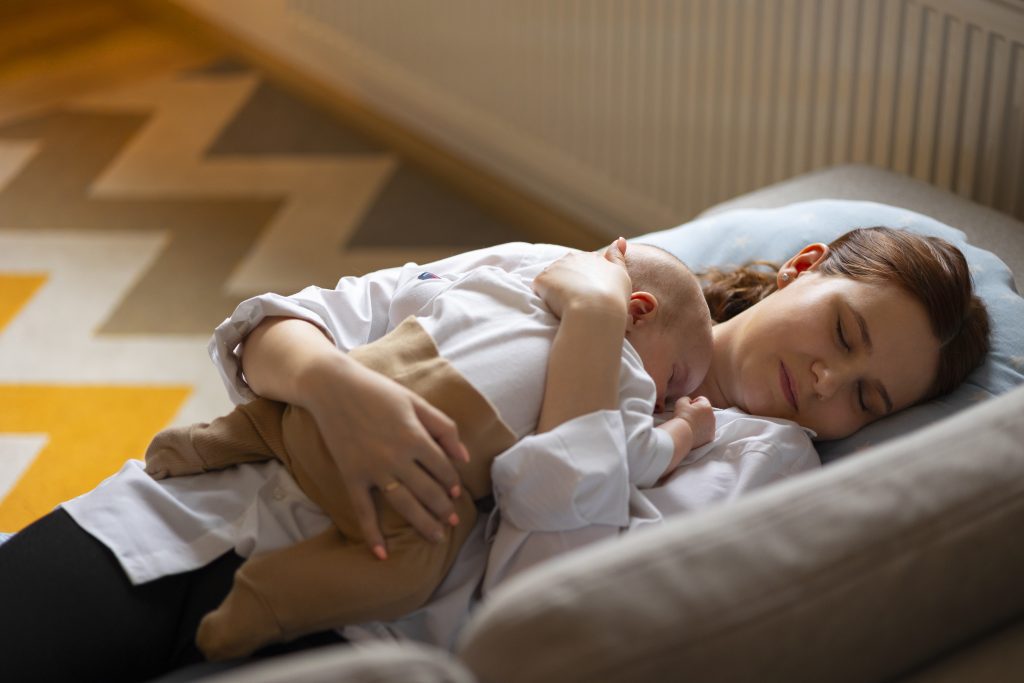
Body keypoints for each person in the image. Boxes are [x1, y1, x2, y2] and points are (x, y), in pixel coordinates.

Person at [0, 228, 988, 683]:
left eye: (866, 398)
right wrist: (338, 387)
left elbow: (545, 581)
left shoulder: (759, 463)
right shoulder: (566, 270)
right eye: (846, 336)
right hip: (190, 511)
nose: (824, 384)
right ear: (804, 268)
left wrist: (594, 340)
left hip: (357, 633)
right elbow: (276, 327)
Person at [141, 244, 716, 660]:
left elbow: (377, 312)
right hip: (393, 483)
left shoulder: (509, 285)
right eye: (676, 381)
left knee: (289, 412)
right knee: (412, 566)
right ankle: (265, 601)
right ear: (634, 310)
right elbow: (637, 455)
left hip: (318, 409)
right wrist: (685, 431)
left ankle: (214, 440)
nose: (667, 397)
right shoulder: (624, 373)